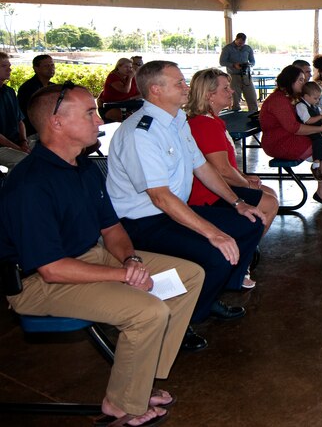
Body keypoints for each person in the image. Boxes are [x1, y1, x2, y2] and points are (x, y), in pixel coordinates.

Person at [0, 82, 204, 427]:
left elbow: (111, 229)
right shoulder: (31, 184)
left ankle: (138, 380)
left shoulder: (84, 167)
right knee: (148, 311)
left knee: (189, 275)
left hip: (89, 257)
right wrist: (124, 275)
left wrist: (131, 261)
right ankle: (124, 404)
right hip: (39, 282)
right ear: (57, 123)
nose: (99, 121)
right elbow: (51, 269)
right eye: (90, 113)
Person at [106, 60, 265, 343]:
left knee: (250, 222)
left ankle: (207, 296)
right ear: (155, 90)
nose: (186, 87)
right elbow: (160, 197)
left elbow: (202, 166)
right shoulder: (140, 133)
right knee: (216, 255)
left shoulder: (177, 120)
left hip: (170, 211)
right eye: (179, 83)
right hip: (141, 222)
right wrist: (213, 233)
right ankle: (180, 323)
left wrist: (237, 202)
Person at [184, 68, 280, 289]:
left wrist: (246, 177)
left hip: (218, 187)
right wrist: (246, 183)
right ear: (209, 95)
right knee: (268, 202)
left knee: (268, 194)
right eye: (225, 88)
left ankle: (246, 248)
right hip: (208, 194)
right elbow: (222, 170)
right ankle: (239, 262)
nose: (232, 91)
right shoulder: (204, 124)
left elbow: (226, 167)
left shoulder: (211, 121)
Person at [260, 65, 322, 206]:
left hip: (290, 137)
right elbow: (294, 127)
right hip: (279, 143)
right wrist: (320, 129)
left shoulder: (291, 97)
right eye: (300, 80)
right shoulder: (278, 100)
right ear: (290, 81)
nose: (303, 83)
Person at [296, 81, 322, 181]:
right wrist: (321, 116)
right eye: (315, 98)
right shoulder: (301, 106)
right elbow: (307, 120)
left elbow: (319, 117)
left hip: (316, 128)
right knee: (318, 139)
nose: (317, 100)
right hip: (307, 130)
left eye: (318, 98)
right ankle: (316, 165)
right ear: (306, 96)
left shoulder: (314, 106)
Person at [0, 52, 29, 171]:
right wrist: (18, 148)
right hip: (2, 146)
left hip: (16, 142)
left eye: (9, 66)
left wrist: (24, 142)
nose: (9, 69)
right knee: (24, 161)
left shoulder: (9, 91)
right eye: (4, 66)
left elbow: (20, 121)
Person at [16, 53, 54, 136]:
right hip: (33, 133)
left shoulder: (53, 87)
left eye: (52, 65)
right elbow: (33, 114)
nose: (51, 68)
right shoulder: (28, 88)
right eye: (46, 66)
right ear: (36, 68)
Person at [219, 32, 258, 112]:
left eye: (243, 43)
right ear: (236, 39)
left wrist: (249, 65)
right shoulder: (227, 48)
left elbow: (253, 61)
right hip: (233, 76)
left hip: (246, 75)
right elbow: (222, 62)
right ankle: (235, 115)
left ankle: (254, 114)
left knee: (252, 97)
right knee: (235, 99)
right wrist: (233, 65)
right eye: (239, 42)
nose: (241, 44)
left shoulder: (247, 48)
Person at [98, 57, 142, 122]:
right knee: (130, 119)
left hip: (128, 104)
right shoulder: (113, 76)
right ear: (119, 67)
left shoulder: (132, 77)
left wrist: (131, 98)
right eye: (126, 67)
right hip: (112, 106)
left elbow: (141, 94)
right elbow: (125, 90)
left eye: (130, 67)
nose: (129, 70)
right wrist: (130, 78)